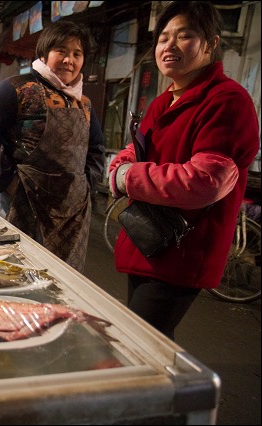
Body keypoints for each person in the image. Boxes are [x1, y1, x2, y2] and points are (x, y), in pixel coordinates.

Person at [108, 1, 259, 340]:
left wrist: (125, 177)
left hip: (182, 249)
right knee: (150, 344)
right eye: (163, 38)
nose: (169, 46)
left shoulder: (227, 101)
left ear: (211, 44)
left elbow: (204, 182)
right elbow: (136, 150)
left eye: (184, 36)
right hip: (146, 240)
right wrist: (121, 165)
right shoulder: (164, 100)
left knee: (140, 342)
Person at [0, 20, 105, 273]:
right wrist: (7, 180)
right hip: (21, 203)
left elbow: (96, 146)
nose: (68, 60)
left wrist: (88, 183)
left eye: (77, 54)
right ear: (44, 53)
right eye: (61, 51)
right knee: (9, 272)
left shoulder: (83, 102)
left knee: (60, 281)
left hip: (72, 214)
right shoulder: (18, 87)